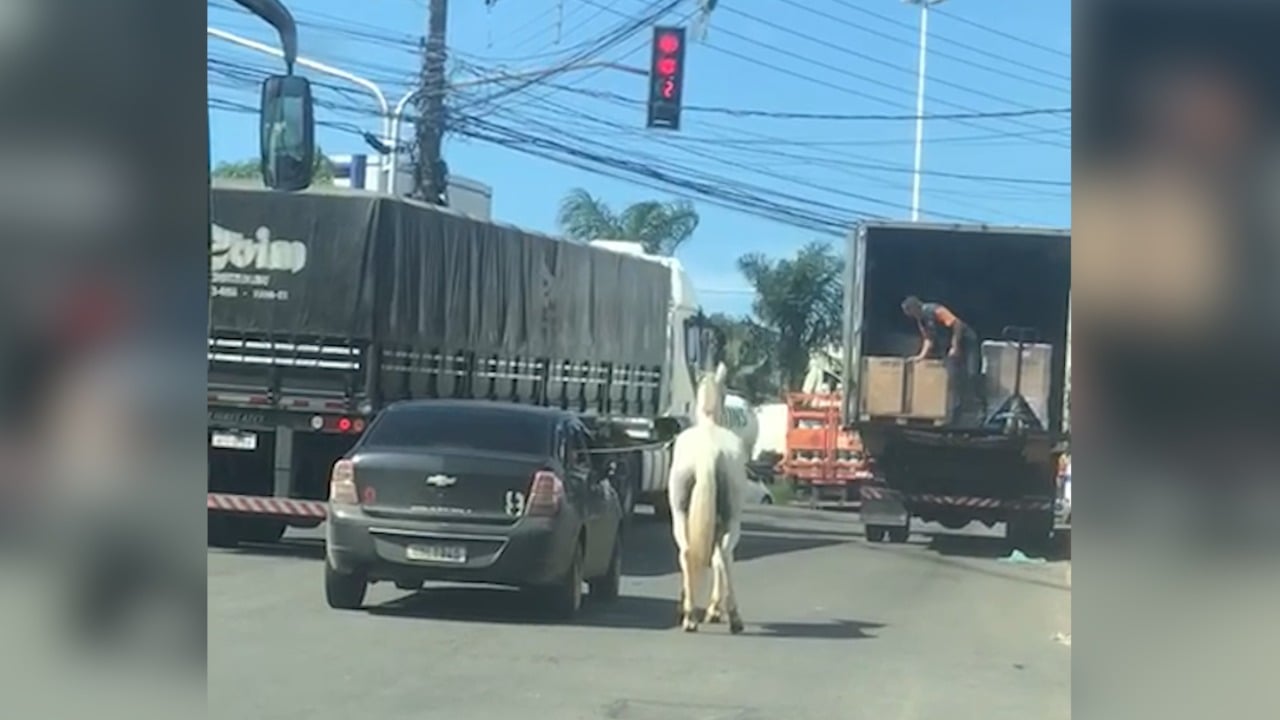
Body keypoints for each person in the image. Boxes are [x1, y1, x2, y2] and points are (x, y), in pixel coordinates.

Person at [901, 296, 983, 416]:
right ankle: (957, 408)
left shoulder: (935, 310)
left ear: (914, 308)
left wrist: (955, 346)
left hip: (966, 341)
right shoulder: (921, 321)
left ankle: (979, 406)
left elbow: (957, 324)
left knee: (972, 374)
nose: (910, 316)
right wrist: (921, 356)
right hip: (949, 346)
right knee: (952, 375)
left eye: (910, 313)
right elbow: (929, 339)